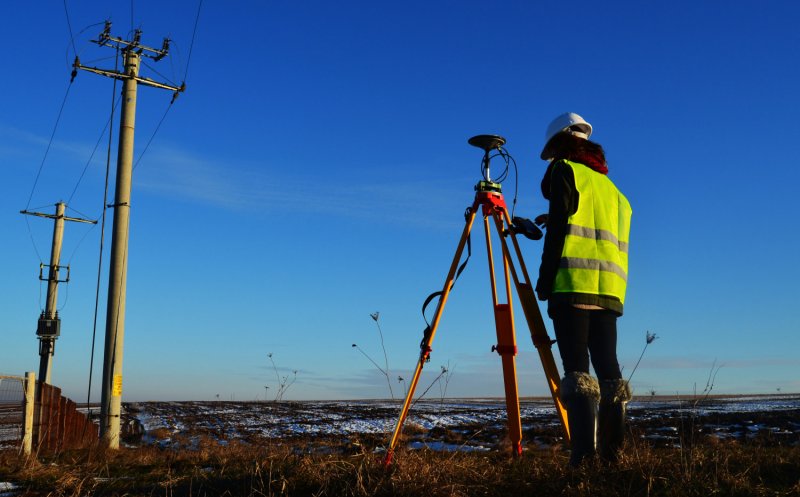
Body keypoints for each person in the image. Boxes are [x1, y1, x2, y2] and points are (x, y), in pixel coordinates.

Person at [535, 112, 632, 466]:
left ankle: (583, 459)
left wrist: (545, 280)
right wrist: (555, 217)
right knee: (609, 371)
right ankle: (612, 457)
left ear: (559, 145)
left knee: (577, 371)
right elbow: (589, 226)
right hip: (609, 291)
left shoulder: (565, 170)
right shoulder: (613, 190)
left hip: (573, 284)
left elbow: (564, 228)